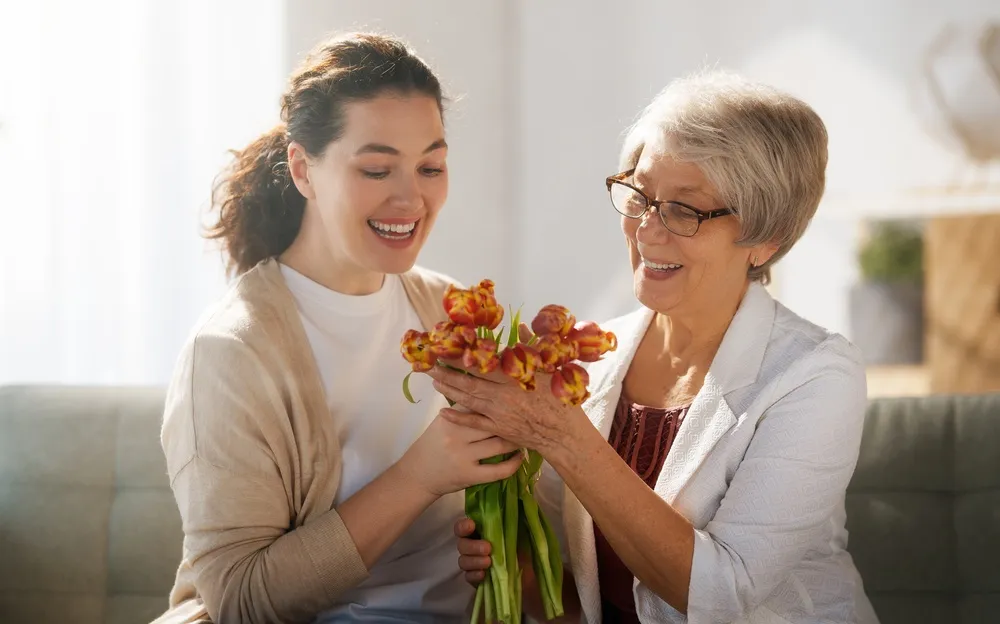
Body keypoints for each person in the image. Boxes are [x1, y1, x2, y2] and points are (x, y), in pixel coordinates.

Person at [438, 71, 880, 624]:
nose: (647, 230)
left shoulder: (816, 375)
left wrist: (559, 434)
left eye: (685, 210)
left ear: (765, 239)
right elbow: (584, 594)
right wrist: (522, 563)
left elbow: (721, 596)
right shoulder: (589, 355)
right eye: (641, 195)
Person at [155, 32, 522, 624]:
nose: (412, 198)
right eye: (377, 169)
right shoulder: (231, 353)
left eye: (431, 166)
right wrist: (417, 479)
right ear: (303, 168)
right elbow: (240, 601)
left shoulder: (454, 312)